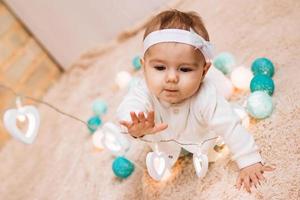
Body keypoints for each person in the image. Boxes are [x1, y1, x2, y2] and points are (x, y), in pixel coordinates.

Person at [116, 9, 274, 193]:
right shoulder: (143, 90)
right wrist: (134, 127)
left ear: (203, 71)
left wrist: (249, 161)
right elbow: (129, 107)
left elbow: (230, 126)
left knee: (225, 90)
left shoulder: (206, 95)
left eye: (184, 69)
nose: (172, 78)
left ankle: (217, 76)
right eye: (159, 67)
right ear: (144, 68)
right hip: (167, 144)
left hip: (202, 140)